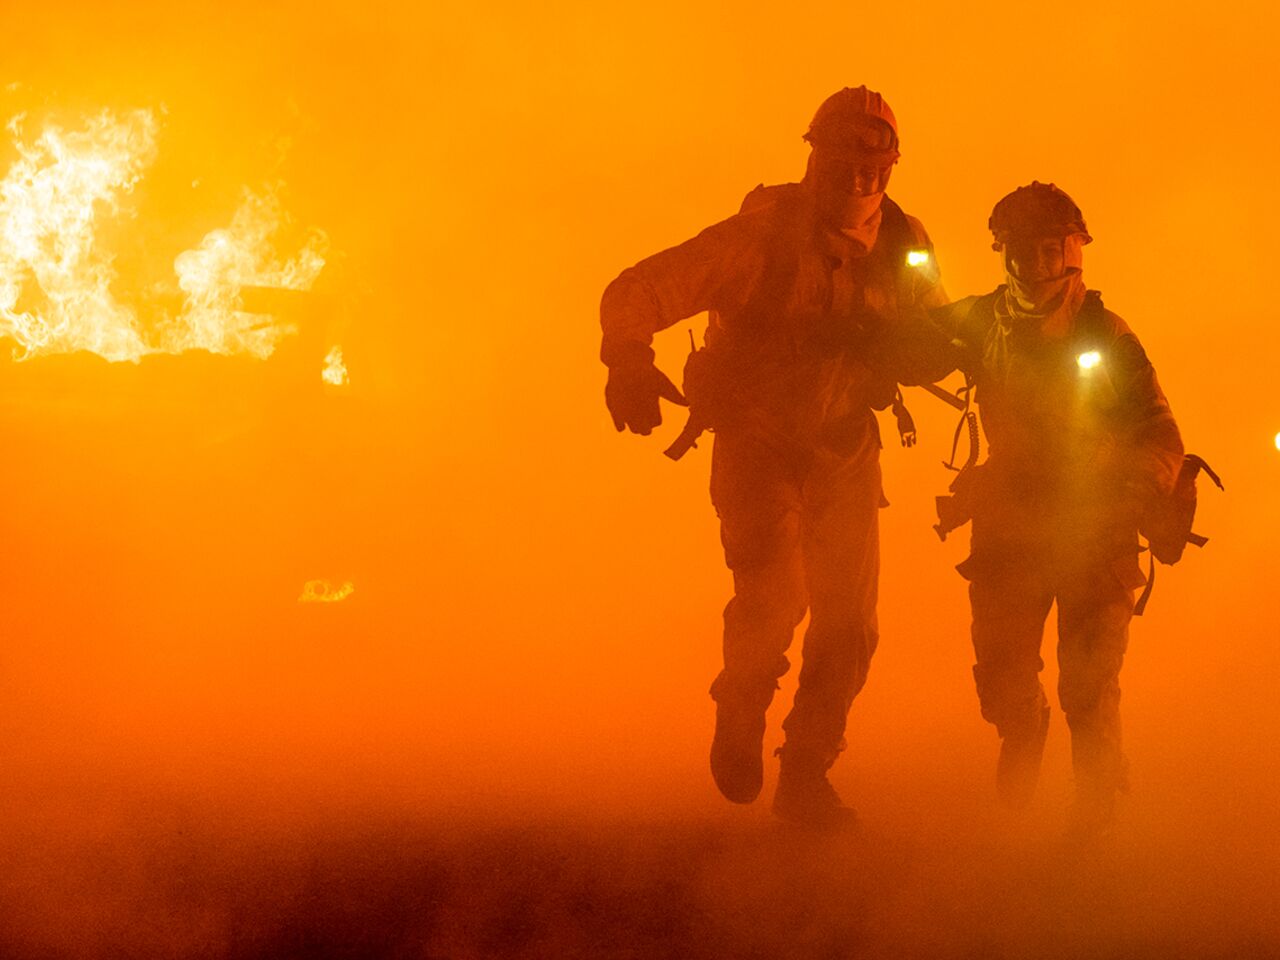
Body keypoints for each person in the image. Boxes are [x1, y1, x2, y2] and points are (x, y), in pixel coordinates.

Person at [599, 87, 947, 828]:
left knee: (850, 625)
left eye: (872, 156)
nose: (858, 172)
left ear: (890, 164)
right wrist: (627, 358)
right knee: (775, 596)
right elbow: (644, 286)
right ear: (812, 155)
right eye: (841, 153)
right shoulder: (760, 237)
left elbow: (942, 332)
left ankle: (807, 774)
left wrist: (944, 353)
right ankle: (742, 702)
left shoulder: (904, 246)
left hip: (846, 446)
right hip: (757, 441)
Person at [926, 182, 1183, 836]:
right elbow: (908, 341)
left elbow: (1161, 433)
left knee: (1088, 689)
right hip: (1010, 528)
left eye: (1050, 250)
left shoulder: (1110, 336)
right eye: (1022, 251)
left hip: (1096, 531)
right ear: (1002, 253)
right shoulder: (981, 320)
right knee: (1003, 677)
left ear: (1073, 251)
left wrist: (1135, 487)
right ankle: (1023, 730)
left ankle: (1094, 828)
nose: (1037, 266)